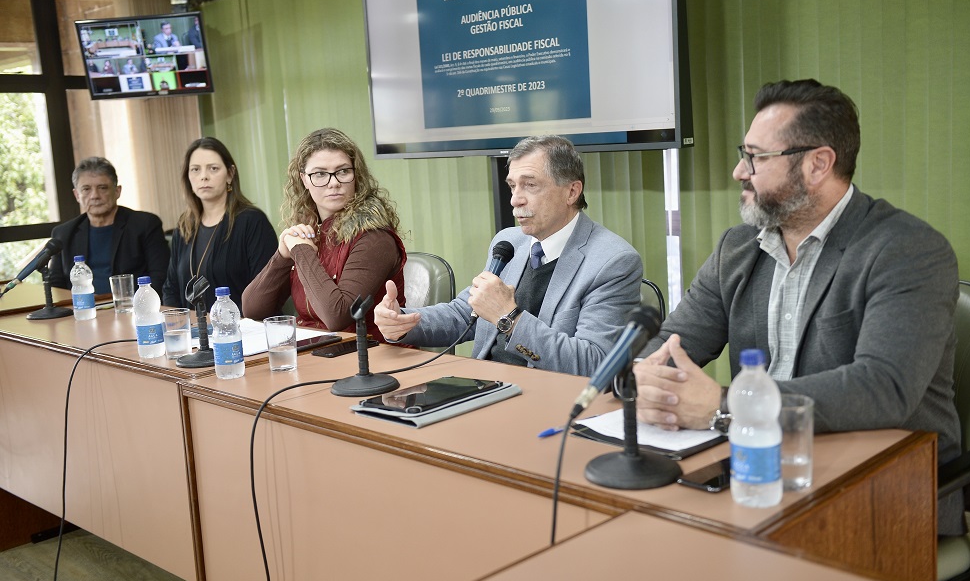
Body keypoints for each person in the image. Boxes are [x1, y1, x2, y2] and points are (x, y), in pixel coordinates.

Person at [632, 79, 964, 535]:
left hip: (886, 487)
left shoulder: (907, 250)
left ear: (817, 164)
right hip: (758, 471)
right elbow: (669, 343)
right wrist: (642, 375)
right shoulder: (738, 247)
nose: (738, 171)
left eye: (756, 157)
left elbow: (883, 388)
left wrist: (726, 408)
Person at [374, 135, 643, 377]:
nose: (515, 199)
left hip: (548, 400)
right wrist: (404, 321)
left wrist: (509, 317)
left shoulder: (613, 261)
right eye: (513, 186)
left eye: (530, 186)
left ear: (572, 192)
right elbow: (465, 314)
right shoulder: (509, 241)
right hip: (485, 385)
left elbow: (593, 363)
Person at [242, 128, 407, 341]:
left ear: (356, 175)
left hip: (369, 356)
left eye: (343, 171)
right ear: (304, 179)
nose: (333, 182)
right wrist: (282, 256)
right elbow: (252, 309)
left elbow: (338, 316)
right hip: (315, 351)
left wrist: (301, 251)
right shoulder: (309, 230)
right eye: (320, 174)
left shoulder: (374, 236)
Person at [163, 137, 278, 311]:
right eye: (195, 170)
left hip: (245, 329)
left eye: (213, 168)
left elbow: (267, 291)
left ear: (230, 174)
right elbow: (170, 288)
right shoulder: (184, 226)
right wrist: (177, 327)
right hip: (194, 332)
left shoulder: (252, 221)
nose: (203, 177)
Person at [50, 157, 169, 295]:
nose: (95, 196)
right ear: (77, 195)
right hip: (82, 310)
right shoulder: (63, 233)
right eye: (86, 189)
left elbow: (160, 277)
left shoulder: (145, 224)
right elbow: (56, 286)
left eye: (102, 188)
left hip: (130, 309)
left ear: (117, 191)